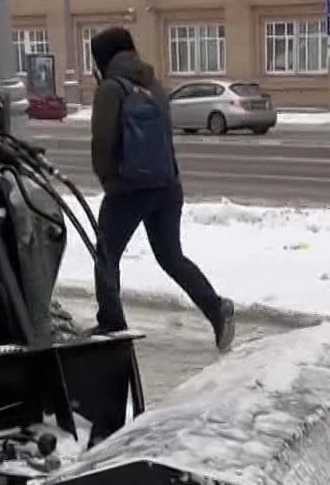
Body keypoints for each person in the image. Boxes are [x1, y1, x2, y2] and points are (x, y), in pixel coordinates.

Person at [87, 26, 235, 351]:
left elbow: (103, 141)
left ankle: (112, 323)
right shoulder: (153, 84)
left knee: (106, 255)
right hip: (167, 186)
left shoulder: (111, 89)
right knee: (171, 256)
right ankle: (216, 308)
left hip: (128, 190)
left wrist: (109, 179)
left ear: (103, 60)